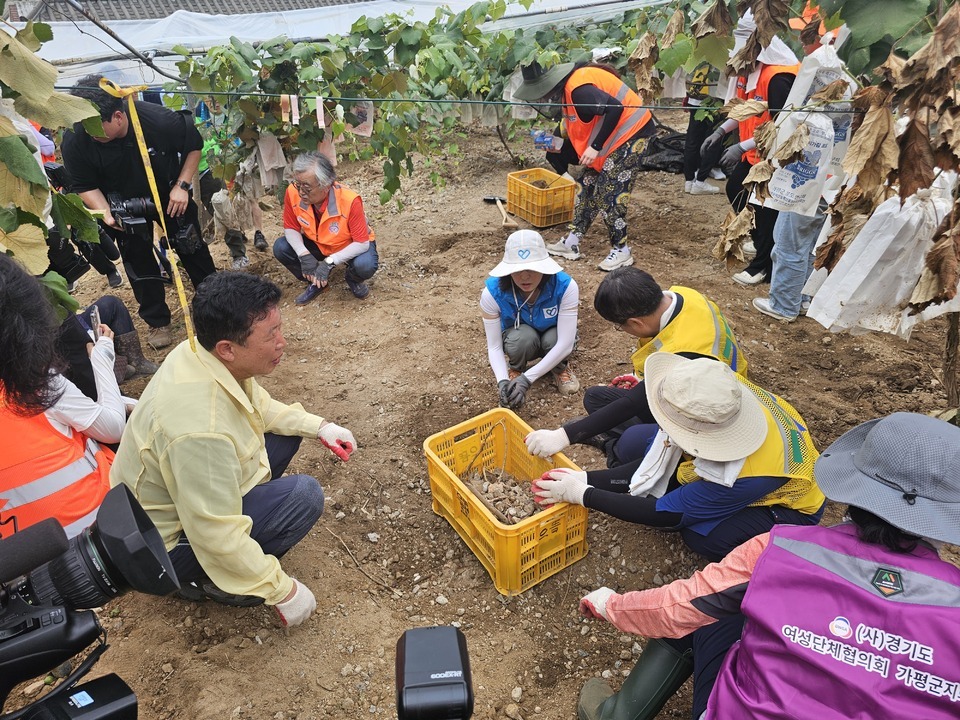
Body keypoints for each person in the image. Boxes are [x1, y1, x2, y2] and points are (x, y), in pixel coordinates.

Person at [575, 412, 960, 720]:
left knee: (712, 610)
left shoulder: (777, 551)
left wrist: (611, 604)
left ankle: (615, 713)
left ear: (852, 480)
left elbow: (677, 607)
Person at [110, 271, 358, 627]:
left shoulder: (199, 351)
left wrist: (320, 427)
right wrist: (282, 589)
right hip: (158, 548)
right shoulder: (199, 430)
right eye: (271, 335)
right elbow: (215, 533)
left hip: (180, 493)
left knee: (286, 433)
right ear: (228, 347)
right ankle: (207, 581)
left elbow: (259, 407)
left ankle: (241, 539)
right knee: (303, 497)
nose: (282, 343)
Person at [532, 354, 824, 562]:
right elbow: (659, 457)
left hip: (792, 509)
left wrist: (585, 494)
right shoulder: (719, 387)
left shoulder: (744, 476)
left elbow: (664, 513)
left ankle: (772, 546)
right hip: (748, 462)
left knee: (702, 536)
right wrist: (584, 474)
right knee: (637, 445)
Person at [525, 268, 748, 467]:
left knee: (631, 442)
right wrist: (640, 377)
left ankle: (613, 448)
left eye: (621, 327)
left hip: (710, 419)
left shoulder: (683, 352)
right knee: (595, 397)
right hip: (695, 390)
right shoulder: (686, 295)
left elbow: (632, 403)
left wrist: (563, 436)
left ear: (636, 323)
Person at [61, 75, 217, 349]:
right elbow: (83, 184)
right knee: (137, 260)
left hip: (169, 193)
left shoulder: (157, 121)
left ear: (119, 116)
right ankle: (158, 322)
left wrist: (182, 185)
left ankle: (217, 305)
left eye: (98, 128)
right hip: (121, 204)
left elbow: (194, 145)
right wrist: (106, 212)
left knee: (191, 246)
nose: (91, 134)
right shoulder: (76, 137)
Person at [0, 255, 125, 540]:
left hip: (19, 564)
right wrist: (102, 357)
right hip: (98, 535)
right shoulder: (33, 384)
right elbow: (113, 427)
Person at [513, 61, 658, 272]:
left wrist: (595, 147)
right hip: (612, 142)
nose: (542, 99)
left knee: (609, 192)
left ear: (551, 87)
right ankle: (572, 242)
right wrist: (551, 145)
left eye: (542, 94)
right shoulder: (568, 102)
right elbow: (574, 133)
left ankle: (622, 249)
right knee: (586, 185)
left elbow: (615, 108)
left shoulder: (579, 90)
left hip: (632, 134)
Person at [700, 11, 799, 286]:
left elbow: (782, 125)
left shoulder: (779, 76)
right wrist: (722, 130)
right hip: (755, 153)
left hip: (777, 156)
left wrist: (740, 146)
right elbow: (745, 108)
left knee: (766, 207)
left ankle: (762, 267)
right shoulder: (752, 70)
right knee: (735, 189)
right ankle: (759, 240)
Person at [482, 229, 580, 408]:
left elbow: (565, 343)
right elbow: (494, 346)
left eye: (532, 269)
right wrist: (502, 381)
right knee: (520, 339)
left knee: (554, 339)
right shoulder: (492, 293)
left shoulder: (566, 287)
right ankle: (515, 369)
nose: (524, 276)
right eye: (517, 270)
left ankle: (559, 369)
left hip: (554, 337)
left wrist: (527, 380)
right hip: (523, 338)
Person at [272, 151, 379, 304]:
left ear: (326, 186)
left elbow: (361, 243)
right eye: (298, 184)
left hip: (349, 245)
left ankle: (353, 279)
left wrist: (330, 262)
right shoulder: (292, 192)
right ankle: (317, 282)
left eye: (307, 187)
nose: (301, 192)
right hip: (319, 244)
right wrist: (304, 255)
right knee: (281, 247)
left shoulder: (350, 200)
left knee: (365, 265)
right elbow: (291, 228)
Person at [195, 100, 268, 270]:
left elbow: (215, 145)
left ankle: (239, 254)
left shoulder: (228, 118)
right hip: (187, 177)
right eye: (209, 99)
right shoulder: (198, 119)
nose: (214, 103)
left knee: (224, 209)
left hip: (210, 171)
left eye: (216, 99)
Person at [57, 295, 159, 401]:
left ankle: (136, 363)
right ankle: (109, 375)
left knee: (111, 304)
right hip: (60, 343)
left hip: (71, 323)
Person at [682, 61, 723, 196]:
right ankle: (700, 181)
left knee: (693, 139)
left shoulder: (702, 46)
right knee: (714, 139)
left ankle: (689, 180)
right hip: (715, 100)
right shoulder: (725, 49)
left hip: (696, 97)